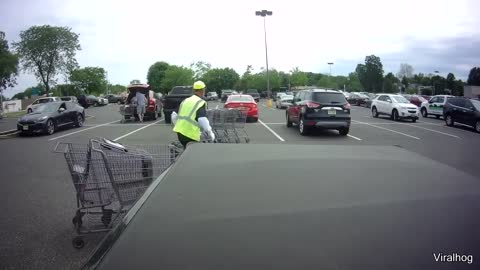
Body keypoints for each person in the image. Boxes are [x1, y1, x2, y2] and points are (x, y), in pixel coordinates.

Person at [172, 81, 215, 148]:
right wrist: (210, 133)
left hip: (180, 133)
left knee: (186, 151)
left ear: (194, 90)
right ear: (202, 90)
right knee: (194, 153)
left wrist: (178, 125)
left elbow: (174, 115)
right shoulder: (200, 102)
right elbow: (202, 119)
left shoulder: (185, 100)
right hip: (191, 135)